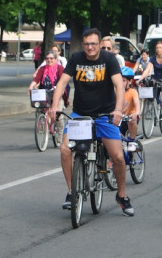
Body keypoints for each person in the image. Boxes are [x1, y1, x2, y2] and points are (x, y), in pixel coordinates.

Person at [48, 28, 134, 216]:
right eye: (87, 44)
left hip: (105, 115)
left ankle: (122, 195)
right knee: (65, 149)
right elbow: (62, 83)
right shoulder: (76, 58)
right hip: (80, 115)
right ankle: (72, 193)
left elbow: (119, 85)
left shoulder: (109, 59)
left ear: (99, 44)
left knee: (118, 157)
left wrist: (118, 110)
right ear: (83, 45)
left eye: (94, 44)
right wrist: (55, 106)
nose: (90, 47)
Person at [28, 51, 67, 145]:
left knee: (59, 116)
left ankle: (60, 135)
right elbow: (36, 79)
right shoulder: (42, 69)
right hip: (44, 94)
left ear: (55, 59)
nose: (49, 60)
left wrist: (60, 91)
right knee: (39, 110)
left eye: (51, 58)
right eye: (47, 58)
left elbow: (63, 81)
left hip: (56, 94)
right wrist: (31, 86)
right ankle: (43, 124)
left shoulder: (60, 68)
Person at [139, 41, 162, 128]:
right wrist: (140, 79)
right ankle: (152, 110)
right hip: (155, 81)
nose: (158, 49)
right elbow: (147, 70)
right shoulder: (153, 59)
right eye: (157, 48)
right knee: (149, 95)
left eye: (160, 48)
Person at [118, 66, 140, 141]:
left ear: (130, 81)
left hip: (130, 118)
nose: (121, 83)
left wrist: (136, 113)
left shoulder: (133, 92)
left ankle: (132, 140)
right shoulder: (115, 92)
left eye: (123, 81)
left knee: (132, 120)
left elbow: (137, 105)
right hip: (119, 119)